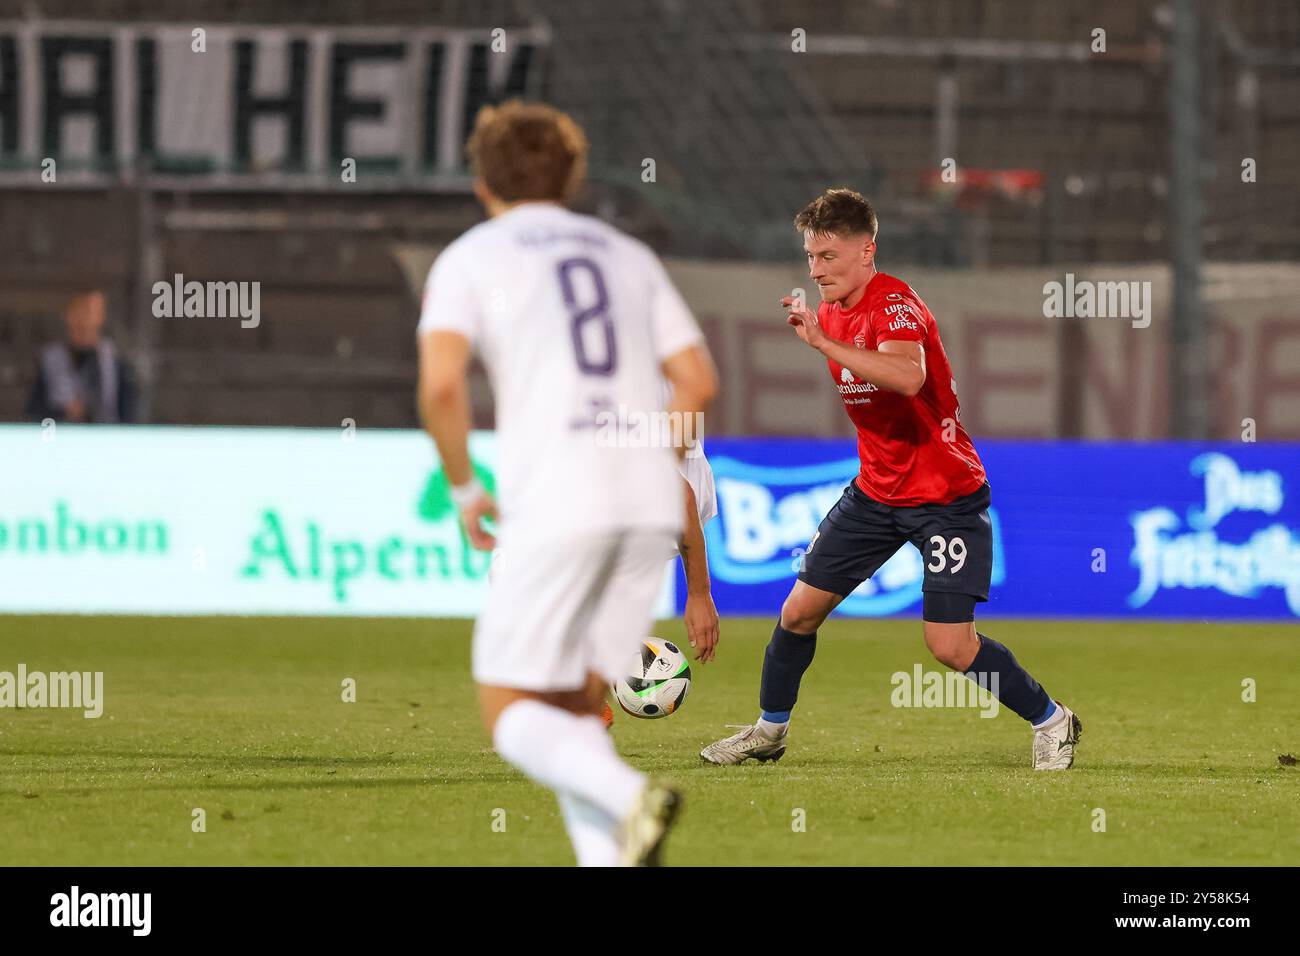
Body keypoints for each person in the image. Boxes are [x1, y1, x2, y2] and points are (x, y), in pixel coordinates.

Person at [416, 100, 717, 865]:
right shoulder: (628, 256)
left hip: (557, 499)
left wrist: (463, 490)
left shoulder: (472, 257)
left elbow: (442, 387)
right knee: (578, 709)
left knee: (510, 706)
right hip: (646, 506)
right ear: (573, 176)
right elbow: (697, 380)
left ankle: (632, 798)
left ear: (483, 181)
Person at [700, 188, 1081, 771]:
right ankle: (768, 733)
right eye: (809, 256)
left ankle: (1052, 720)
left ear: (866, 251)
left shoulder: (895, 303)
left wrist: (825, 343)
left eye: (828, 256)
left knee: (949, 646)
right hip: (876, 494)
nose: (816, 268)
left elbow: (907, 376)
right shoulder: (829, 313)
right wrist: (825, 334)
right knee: (798, 613)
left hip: (945, 498)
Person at [26, 290, 136, 423]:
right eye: (81, 310)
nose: (86, 320)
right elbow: (33, 412)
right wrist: (64, 411)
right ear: (69, 314)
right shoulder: (50, 360)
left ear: (101, 316)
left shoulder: (115, 362)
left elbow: (130, 416)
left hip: (107, 437)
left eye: (92, 312)